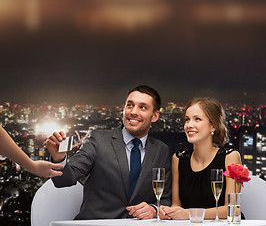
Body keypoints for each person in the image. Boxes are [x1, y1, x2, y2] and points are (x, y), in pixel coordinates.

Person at [46, 85, 171, 220]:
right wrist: (58, 159)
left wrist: (154, 210)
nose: (133, 112)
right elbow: (64, 180)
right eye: (129, 105)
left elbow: (165, 199)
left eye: (142, 107)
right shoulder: (98, 139)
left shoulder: (161, 150)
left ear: (155, 116)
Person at [160, 97, 241, 220]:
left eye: (197, 119)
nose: (189, 125)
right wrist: (168, 212)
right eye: (187, 120)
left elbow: (233, 209)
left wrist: (189, 214)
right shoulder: (178, 159)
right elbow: (177, 205)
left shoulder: (230, 157)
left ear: (213, 126)